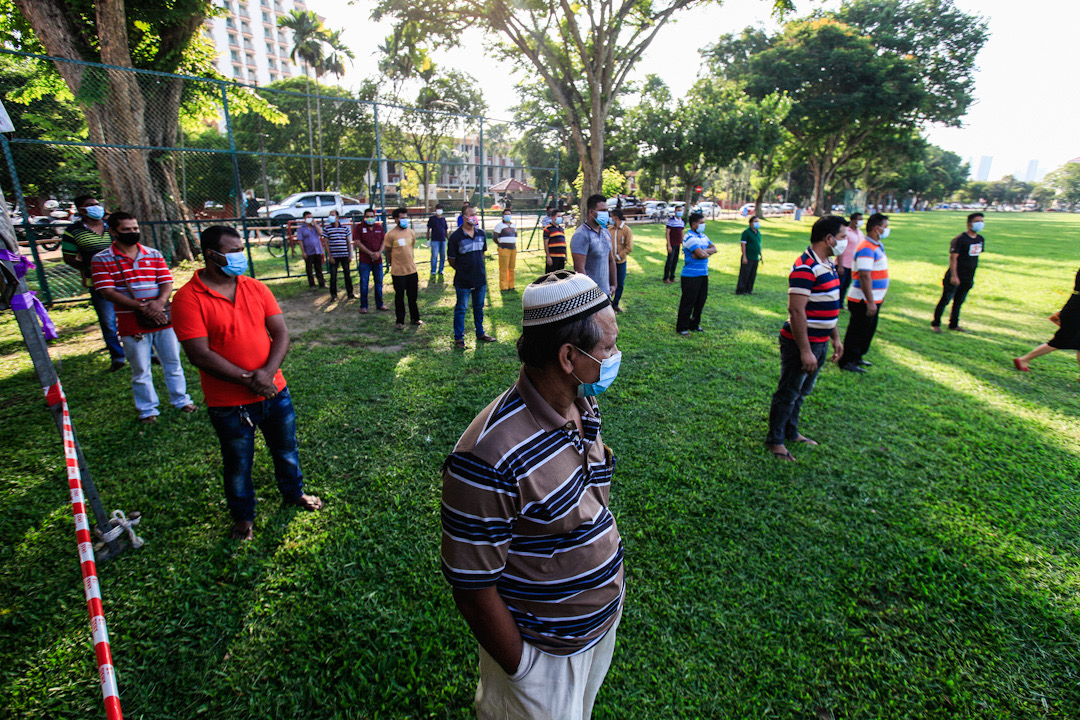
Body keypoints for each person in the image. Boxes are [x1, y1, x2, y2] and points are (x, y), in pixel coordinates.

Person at [442, 270, 624, 720]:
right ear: (568, 356)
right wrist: (524, 670)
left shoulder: (583, 402)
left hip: (598, 629)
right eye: (608, 346)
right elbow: (471, 587)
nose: (616, 355)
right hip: (543, 658)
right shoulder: (488, 457)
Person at [171, 225, 324, 540]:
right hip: (229, 404)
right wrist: (249, 381)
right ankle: (243, 519)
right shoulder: (187, 299)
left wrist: (267, 375)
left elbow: (281, 333)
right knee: (238, 464)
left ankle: (294, 493)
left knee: (286, 450)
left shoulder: (256, 288)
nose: (241, 256)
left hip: (275, 392)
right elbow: (199, 354)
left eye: (241, 248)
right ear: (211, 255)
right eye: (233, 250)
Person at [89, 212, 195, 423]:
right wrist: (142, 307)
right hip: (131, 321)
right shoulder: (102, 259)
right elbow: (107, 292)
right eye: (126, 230)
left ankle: (181, 400)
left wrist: (158, 303)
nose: (133, 233)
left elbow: (166, 282)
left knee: (172, 361)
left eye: (135, 229)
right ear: (113, 231)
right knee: (140, 368)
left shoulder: (153, 254)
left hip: (162, 318)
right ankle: (148, 410)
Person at [766, 215, 846, 461]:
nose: (844, 243)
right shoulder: (805, 267)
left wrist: (835, 338)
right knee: (788, 392)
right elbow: (796, 311)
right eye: (842, 237)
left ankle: (792, 432)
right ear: (829, 238)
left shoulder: (827, 263)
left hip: (820, 342)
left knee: (801, 392)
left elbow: (828, 304)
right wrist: (805, 351)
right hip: (802, 343)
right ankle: (775, 441)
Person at [61, 195, 126, 371]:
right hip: (98, 281)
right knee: (108, 321)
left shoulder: (112, 227)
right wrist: (90, 268)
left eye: (97, 204)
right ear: (81, 209)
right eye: (90, 205)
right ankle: (118, 357)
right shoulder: (73, 231)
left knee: (132, 314)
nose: (96, 207)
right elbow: (69, 257)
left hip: (123, 278)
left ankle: (148, 353)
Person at [838, 213, 890, 373]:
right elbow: (864, 275)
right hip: (863, 299)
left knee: (868, 329)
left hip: (873, 298)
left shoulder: (875, 246)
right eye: (886, 227)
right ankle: (847, 360)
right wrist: (870, 301)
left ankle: (857, 356)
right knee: (858, 329)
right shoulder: (866, 247)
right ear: (877, 228)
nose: (887, 230)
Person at [1013, 266, 1080, 378]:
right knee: (1060, 341)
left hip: (1075, 306)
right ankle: (1024, 359)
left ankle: (1024, 360)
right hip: (1076, 309)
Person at [447, 204, 496, 350]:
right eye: (471, 214)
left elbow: (482, 253)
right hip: (463, 281)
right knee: (461, 309)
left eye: (475, 214)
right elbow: (451, 260)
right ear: (464, 217)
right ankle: (458, 338)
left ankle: (480, 333)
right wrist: (464, 269)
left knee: (479, 307)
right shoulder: (455, 237)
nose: (474, 217)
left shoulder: (481, 233)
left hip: (480, 279)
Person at [932, 212, 985, 333]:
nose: (980, 224)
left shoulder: (980, 240)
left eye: (981, 221)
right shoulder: (960, 239)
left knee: (959, 301)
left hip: (968, 277)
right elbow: (953, 258)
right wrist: (954, 275)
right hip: (956, 275)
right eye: (977, 221)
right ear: (969, 224)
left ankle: (954, 324)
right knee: (945, 299)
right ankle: (936, 323)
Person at [676, 212, 716, 335]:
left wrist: (702, 252)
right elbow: (701, 255)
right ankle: (682, 327)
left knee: (700, 301)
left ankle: (695, 324)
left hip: (703, 274)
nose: (703, 225)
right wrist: (701, 254)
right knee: (688, 302)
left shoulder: (703, 236)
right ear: (694, 224)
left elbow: (714, 249)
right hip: (690, 276)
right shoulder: (689, 237)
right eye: (701, 223)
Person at [571, 194, 617, 298]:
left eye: (607, 210)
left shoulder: (606, 233)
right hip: (591, 297)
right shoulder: (581, 235)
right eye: (603, 210)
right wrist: (591, 293)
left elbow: (610, 260)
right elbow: (579, 267)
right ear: (592, 212)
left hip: (606, 293)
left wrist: (614, 284)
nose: (606, 214)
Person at [384, 208, 421, 329]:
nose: (404, 220)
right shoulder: (390, 235)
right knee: (399, 297)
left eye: (405, 217)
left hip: (411, 270)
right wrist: (392, 263)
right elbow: (388, 252)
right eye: (401, 217)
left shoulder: (411, 232)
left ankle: (415, 318)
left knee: (413, 296)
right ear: (396, 219)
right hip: (398, 272)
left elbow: (411, 247)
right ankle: (400, 321)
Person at [354, 207, 389, 314]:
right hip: (365, 260)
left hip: (378, 260)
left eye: (372, 217)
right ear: (364, 218)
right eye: (367, 217)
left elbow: (384, 241)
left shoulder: (379, 227)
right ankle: (364, 306)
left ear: (375, 217)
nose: (370, 219)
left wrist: (379, 253)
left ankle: (380, 304)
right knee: (364, 283)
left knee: (379, 283)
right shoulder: (359, 228)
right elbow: (357, 242)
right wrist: (370, 253)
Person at [321, 210, 354, 301]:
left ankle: (350, 293)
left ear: (337, 217)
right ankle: (334, 294)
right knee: (333, 276)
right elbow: (326, 243)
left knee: (347, 274)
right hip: (334, 256)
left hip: (344, 254)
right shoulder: (327, 229)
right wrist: (330, 256)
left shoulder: (344, 228)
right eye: (329, 215)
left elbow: (348, 241)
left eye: (332, 215)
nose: (330, 217)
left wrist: (349, 255)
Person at [295, 211, 325, 289]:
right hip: (308, 251)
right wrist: (303, 252)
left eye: (310, 217)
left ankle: (321, 283)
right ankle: (312, 284)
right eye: (308, 217)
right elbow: (300, 240)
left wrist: (315, 224)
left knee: (319, 268)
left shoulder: (315, 227)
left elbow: (321, 233)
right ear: (304, 218)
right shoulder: (301, 229)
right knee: (309, 269)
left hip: (317, 250)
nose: (309, 219)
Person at [612, 208, 633, 313]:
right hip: (609, 262)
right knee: (609, 283)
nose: (610, 219)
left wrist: (617, 257)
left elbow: (629, 247)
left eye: (611, 216)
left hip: (620, 262)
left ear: (615, 218)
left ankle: (615, 304)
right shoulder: (609, 230)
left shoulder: (626, 230)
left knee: (620, 283)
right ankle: (608, 304)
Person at [837, 213, 862, 300]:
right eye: (859, 219)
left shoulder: (860, 232)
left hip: (853, 264)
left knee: (846, 284)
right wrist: (840, 265)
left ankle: (841, 303)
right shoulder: (846, 232)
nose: (861, 221)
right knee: (840, 284)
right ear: (853, 221)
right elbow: (841, 248)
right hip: (843, 263)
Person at [735, 215, 763, 295]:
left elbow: (759, 244)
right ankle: (740, 290)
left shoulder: (758, 233)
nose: (757, 223)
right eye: (755, 221)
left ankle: (748, 290)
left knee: (752, 274)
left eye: (758, 221)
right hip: (748, 257)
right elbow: (743, 244)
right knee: (745, 274)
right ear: (750, 223)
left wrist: (760, 255)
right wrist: (744, 257)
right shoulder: (746, 232)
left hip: (755, 257)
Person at [493, 209, 518, 291]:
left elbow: (515, 236)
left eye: (509, 214)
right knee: (503, 268)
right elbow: (495, 237)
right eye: (506, 214)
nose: (508, 216)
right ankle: (504, 286)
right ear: (503, 216)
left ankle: (511, 285)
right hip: (504, 249)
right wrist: (501, 244)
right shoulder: (499, 226)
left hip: (513, 248)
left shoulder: (514, 226)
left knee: (512, 267)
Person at [662, 206, 685, 284]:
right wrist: (669, 245)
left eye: (681, 210)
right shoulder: (671, 221)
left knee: (675, 260)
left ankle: (672, 277)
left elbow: (681, 233)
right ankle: (666, 278)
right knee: (670, 261)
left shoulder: (682, 221)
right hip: (672, 243)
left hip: (678, 244)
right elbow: (667, 233)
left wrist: (683, 244)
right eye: (678, 210)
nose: (680, 212)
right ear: (675, 211)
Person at [427, 204, 449, 278]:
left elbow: (446, 229)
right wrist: (428, 239)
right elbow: (428, 229)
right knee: (434, 255)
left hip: (443, 240)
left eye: (441, 208)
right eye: (438, 208)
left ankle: (441, 270)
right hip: (435, 240)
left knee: (443, 256)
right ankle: (433, 270)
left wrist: (448, 238)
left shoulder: (443, 219)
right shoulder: (432, 218)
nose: (439, 210)